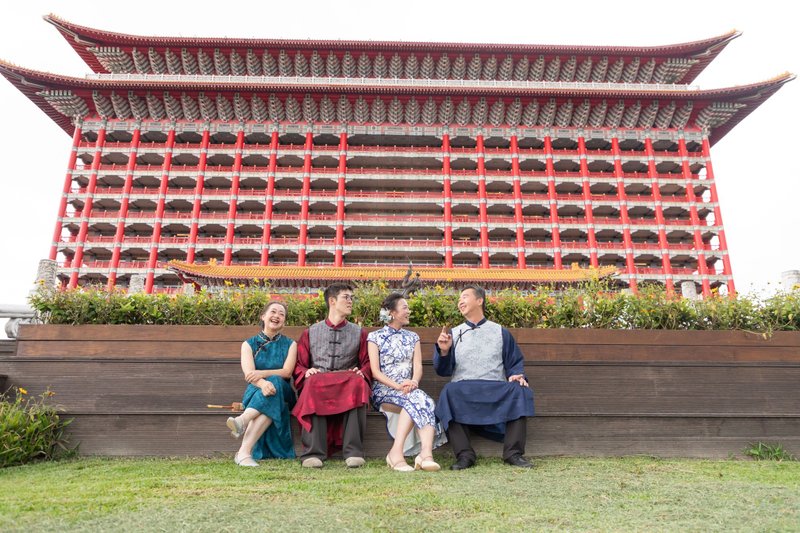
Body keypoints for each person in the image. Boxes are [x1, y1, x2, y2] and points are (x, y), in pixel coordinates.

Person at [434, 285, 535, 470]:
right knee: (448, 391)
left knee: (520, 390)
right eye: (459, 299)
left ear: (479, 300)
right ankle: (464, 455)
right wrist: (444, 351)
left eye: (465, 297)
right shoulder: (452, 334)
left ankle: (513, 453)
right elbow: (443, 370)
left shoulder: (500, 332)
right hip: (464, 389)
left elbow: (514, 362)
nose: (460, 301)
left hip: (495, 389)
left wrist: (516, 375)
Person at [291, 283, 372, 468]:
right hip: (319, 382)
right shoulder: (310, 332)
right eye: (346, 297)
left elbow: (367, 362)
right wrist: (306, 372)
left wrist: (362, 371)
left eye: (352, 298)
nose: (350, 301)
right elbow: (299, 364)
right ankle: (313, 453)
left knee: (359, 382)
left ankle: (353, 452)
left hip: (347, 383)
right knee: (312, 382)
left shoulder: (359, 333)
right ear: (332, 301)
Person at [368, 293, 446, 472]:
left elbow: (417, 366)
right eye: (405, 308)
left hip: (408, 389)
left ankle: (425, 454)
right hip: (384, 391)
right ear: (392, 312)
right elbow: (375, 371)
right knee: (414, 399)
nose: (409, 311)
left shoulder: (413, 337)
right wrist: (397, 386)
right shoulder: (375, 337)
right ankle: (396, 453)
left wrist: (413, 381)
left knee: (425, 400)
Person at [226, 301, 298, 467]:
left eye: (281, 314)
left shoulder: (291, 344)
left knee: (276, 382)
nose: (277, 316)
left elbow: (287, 372)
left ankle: (243, 420)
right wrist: (263, 384)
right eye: (273, 312)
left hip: (284, 391)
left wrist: (263, 375)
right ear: (263, 316)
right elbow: (249, 374)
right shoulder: (248, 344)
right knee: (271, 397)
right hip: (257, 389)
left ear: (284, 322)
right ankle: (243, 453)